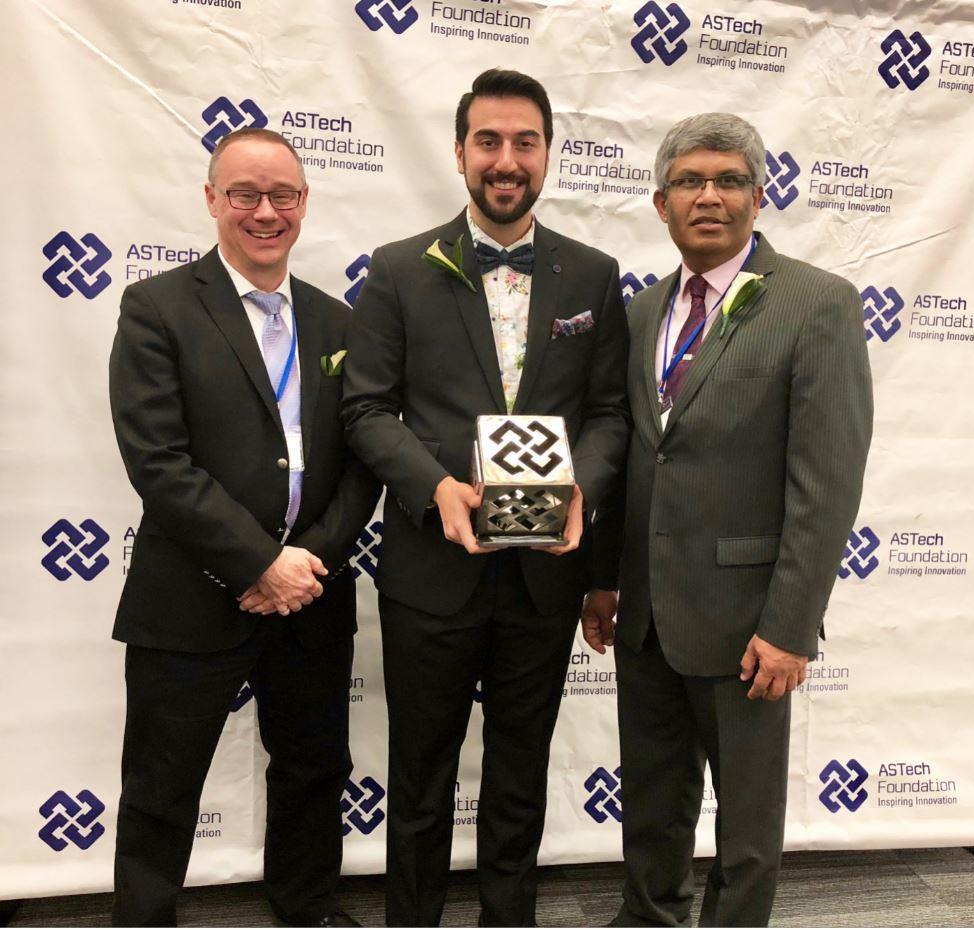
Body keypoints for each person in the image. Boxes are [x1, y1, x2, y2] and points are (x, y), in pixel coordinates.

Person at [341, 69, 629, 926]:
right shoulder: (398, 270)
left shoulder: (594, 275)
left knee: (518, 772)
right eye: (490, 141)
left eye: (525, 142)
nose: (508, 160)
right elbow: (363, 407)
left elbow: (610, 414)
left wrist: (583, 485)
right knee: (422, 775)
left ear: (547, 153)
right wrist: (435, 486)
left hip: (545, 576)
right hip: (432, 570)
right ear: (461, 151)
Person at [581, 112, 873, 927]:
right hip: (643, 616)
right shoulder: (639, 314)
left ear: (757, 195)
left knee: (745, 827)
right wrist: (604, 579)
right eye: (690, 182)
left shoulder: (817, 304)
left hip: (749, 624)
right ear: (660, 203)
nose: (709, 196)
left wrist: (790, 625)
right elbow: (633, 458)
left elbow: (826, 486)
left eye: (729, 180)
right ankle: (649, 917)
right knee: (652, 804)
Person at [108, 127, 379, 927]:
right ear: (211, 201)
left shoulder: (340, 323)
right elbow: (157, 460)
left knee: (312, 769)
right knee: (162, 783)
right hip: (191, 592)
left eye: (283, 195)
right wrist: (261, 563)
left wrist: (304, 564)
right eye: (245, 195)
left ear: (304, 204)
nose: (266, 212)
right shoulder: (156, 307)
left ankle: (308, 909)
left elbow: (365, 461)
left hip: (311, 595)